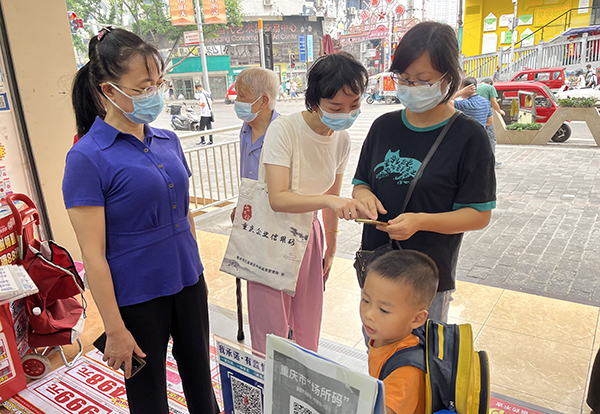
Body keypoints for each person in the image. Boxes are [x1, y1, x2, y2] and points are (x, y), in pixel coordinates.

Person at [62, 27, 218, 414]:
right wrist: (114, 328)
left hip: (188, 281)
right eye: (144, 85)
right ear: (108, 90)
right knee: (148, 396)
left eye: (158, 83)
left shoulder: (168, 140)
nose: (155, 93)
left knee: (201, 378)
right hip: (137, 295)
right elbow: (93, 255)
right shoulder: (87, 157)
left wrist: (197, 271)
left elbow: (183, 215)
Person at [352, 21, 496, 324]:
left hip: (426, 279)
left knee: (422, 362)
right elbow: (362, 182)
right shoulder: (384, 127)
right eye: (404, 78)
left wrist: (421, 222)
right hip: (376, 270)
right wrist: (363, 198)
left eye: (422, 79)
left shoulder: (469, 136)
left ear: (448, 78)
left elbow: (478, 214)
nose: (411, 86)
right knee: (378, 356)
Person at [254, 52, 373, 354]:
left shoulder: (341, 140)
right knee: (271, 330)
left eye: (354, 105)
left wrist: (331, 246)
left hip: (311, 236)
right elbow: (278, 198)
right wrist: (330, 203)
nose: (346, 113)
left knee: (308, 322)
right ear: (315, 101)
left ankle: (302, 387)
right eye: (336, 106)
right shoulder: (285, 130)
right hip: (272, 236)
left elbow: (332, 197)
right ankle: (267, 391)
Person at [361, 250, 439, 414]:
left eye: (384, 310)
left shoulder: (406, 372)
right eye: (365, 300)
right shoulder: (385, 337)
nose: (369, 314)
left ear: (417, 319)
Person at [477, 78, 505, 166]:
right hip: (486, 117)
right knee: (491, 140)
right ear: (489, 83)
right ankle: (491, 161)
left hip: (475, 118)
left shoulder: (474, 86)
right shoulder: (490, 87)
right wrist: (500, 111)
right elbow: (494, 102)